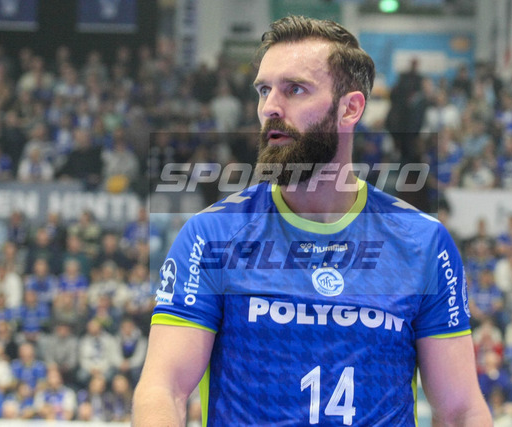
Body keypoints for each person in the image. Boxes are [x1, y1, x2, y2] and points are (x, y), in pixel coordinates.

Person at [133, 15, 491, 425]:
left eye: (295, 89)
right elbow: (164, 389)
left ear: (350, 108)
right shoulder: (211, 236)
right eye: (264, 90)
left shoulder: (423, 243)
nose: (270, 107)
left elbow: (460, 409)